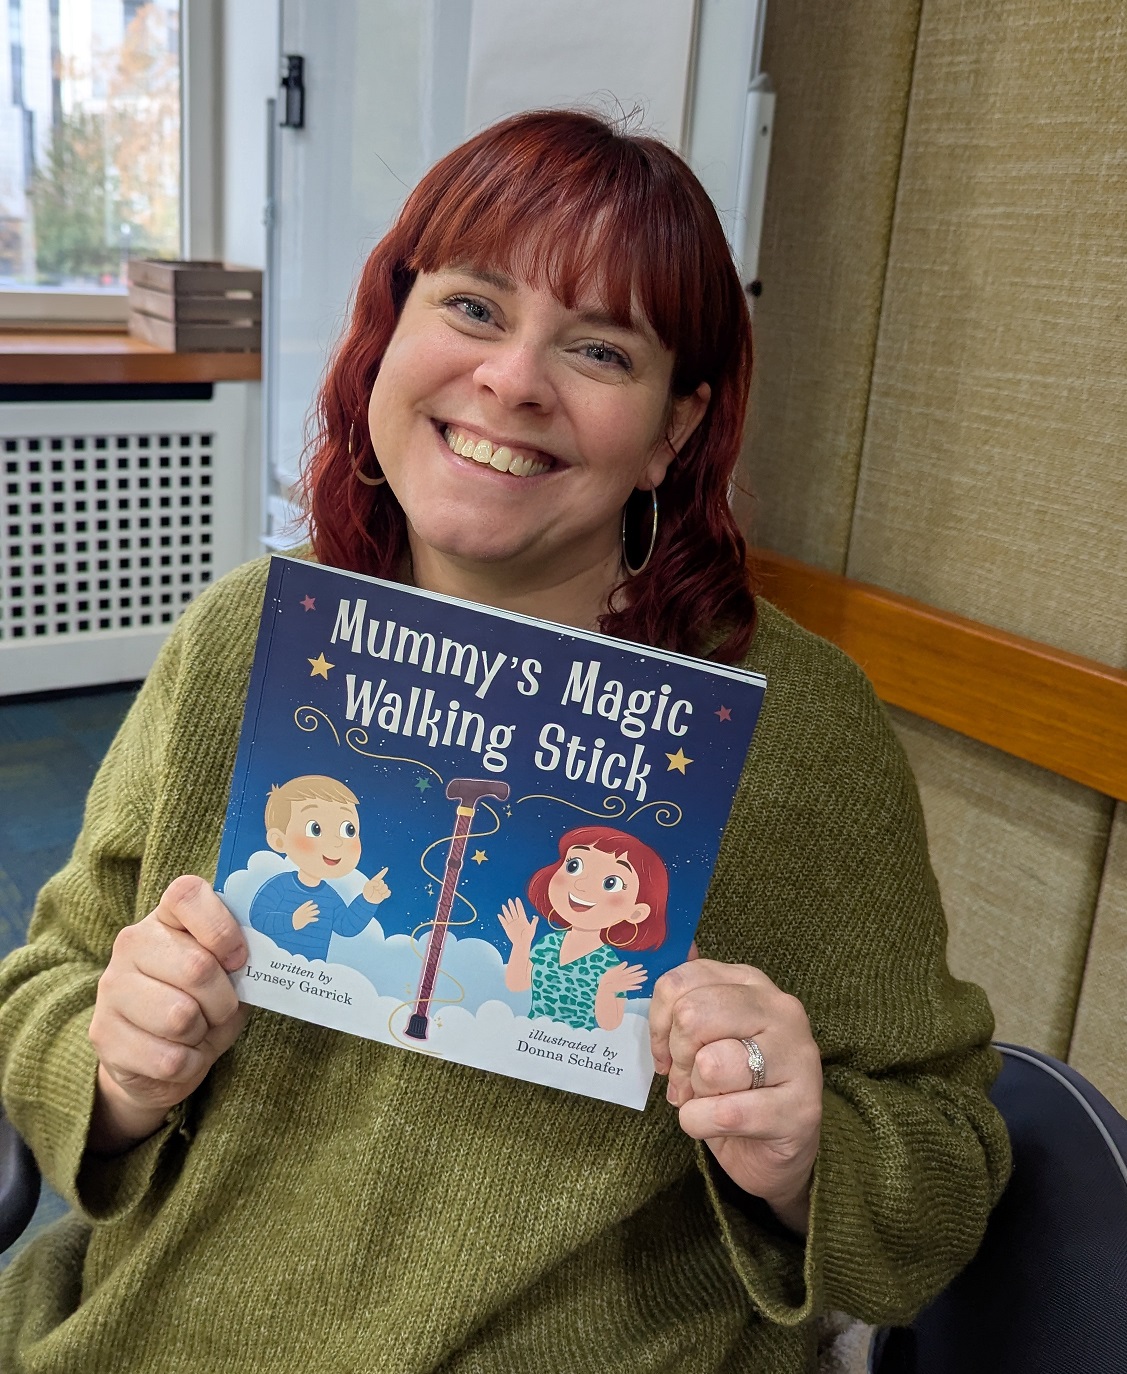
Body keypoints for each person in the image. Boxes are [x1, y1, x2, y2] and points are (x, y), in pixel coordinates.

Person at [0, 110, 1009, 1373]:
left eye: (598, 349)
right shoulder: (245, 637)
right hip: (161, 1331)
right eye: (473, 308)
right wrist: (118, 1071)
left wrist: (805, 1155)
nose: (513, 381)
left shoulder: (792, 733)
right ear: (390, 329)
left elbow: (943, 1168)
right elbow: (47, 984)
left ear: (673, 430)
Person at [498, 824, 669, 1032]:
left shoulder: (608, 964)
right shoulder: (550, 944)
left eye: (611, 883)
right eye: (574, 866)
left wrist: (607, 990)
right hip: (528, 1034)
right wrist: (521, 943)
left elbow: (610, 1024)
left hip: (578, 1046)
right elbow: (517, 984)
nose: (581, 885)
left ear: (636, 913)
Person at [248, 774, 391, 961]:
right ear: (279, 841)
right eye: (315, 829)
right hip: (270, 965)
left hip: (312, 972)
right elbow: (258, 917)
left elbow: (345, 927)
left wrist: (367, 901)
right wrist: (291, 921)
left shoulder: (329, 897)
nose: (336, 842)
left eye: (348, 830)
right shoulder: (280, 885)